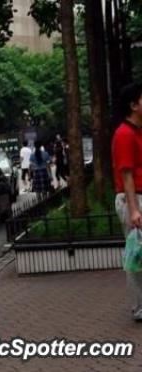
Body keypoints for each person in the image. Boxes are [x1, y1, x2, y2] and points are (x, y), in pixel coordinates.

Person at [112, 82, 142, 321]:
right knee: (137, 255)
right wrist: (134, 211)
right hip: (133, 199)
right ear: (133, 105)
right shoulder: (124, 134)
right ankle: (139, 307)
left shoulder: (137, 131)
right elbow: (127, 174)